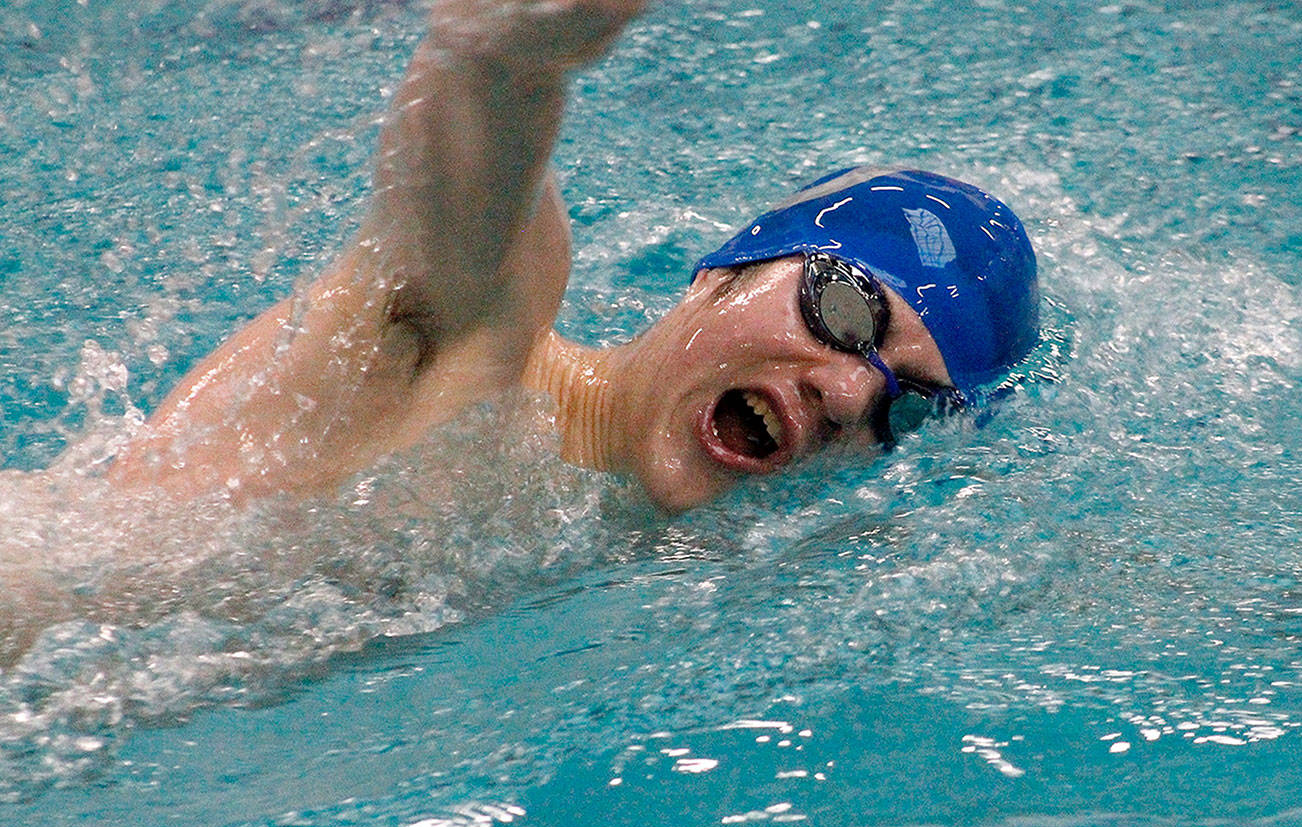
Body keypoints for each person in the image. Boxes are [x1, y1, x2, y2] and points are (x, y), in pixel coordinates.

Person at [108, 0, 1039, 514]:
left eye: (907, 411)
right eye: (847, 311)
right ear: (726, 272)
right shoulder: (481, 339)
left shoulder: (624, 561)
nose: (848, 396)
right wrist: (518, 45)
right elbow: (476, 133)